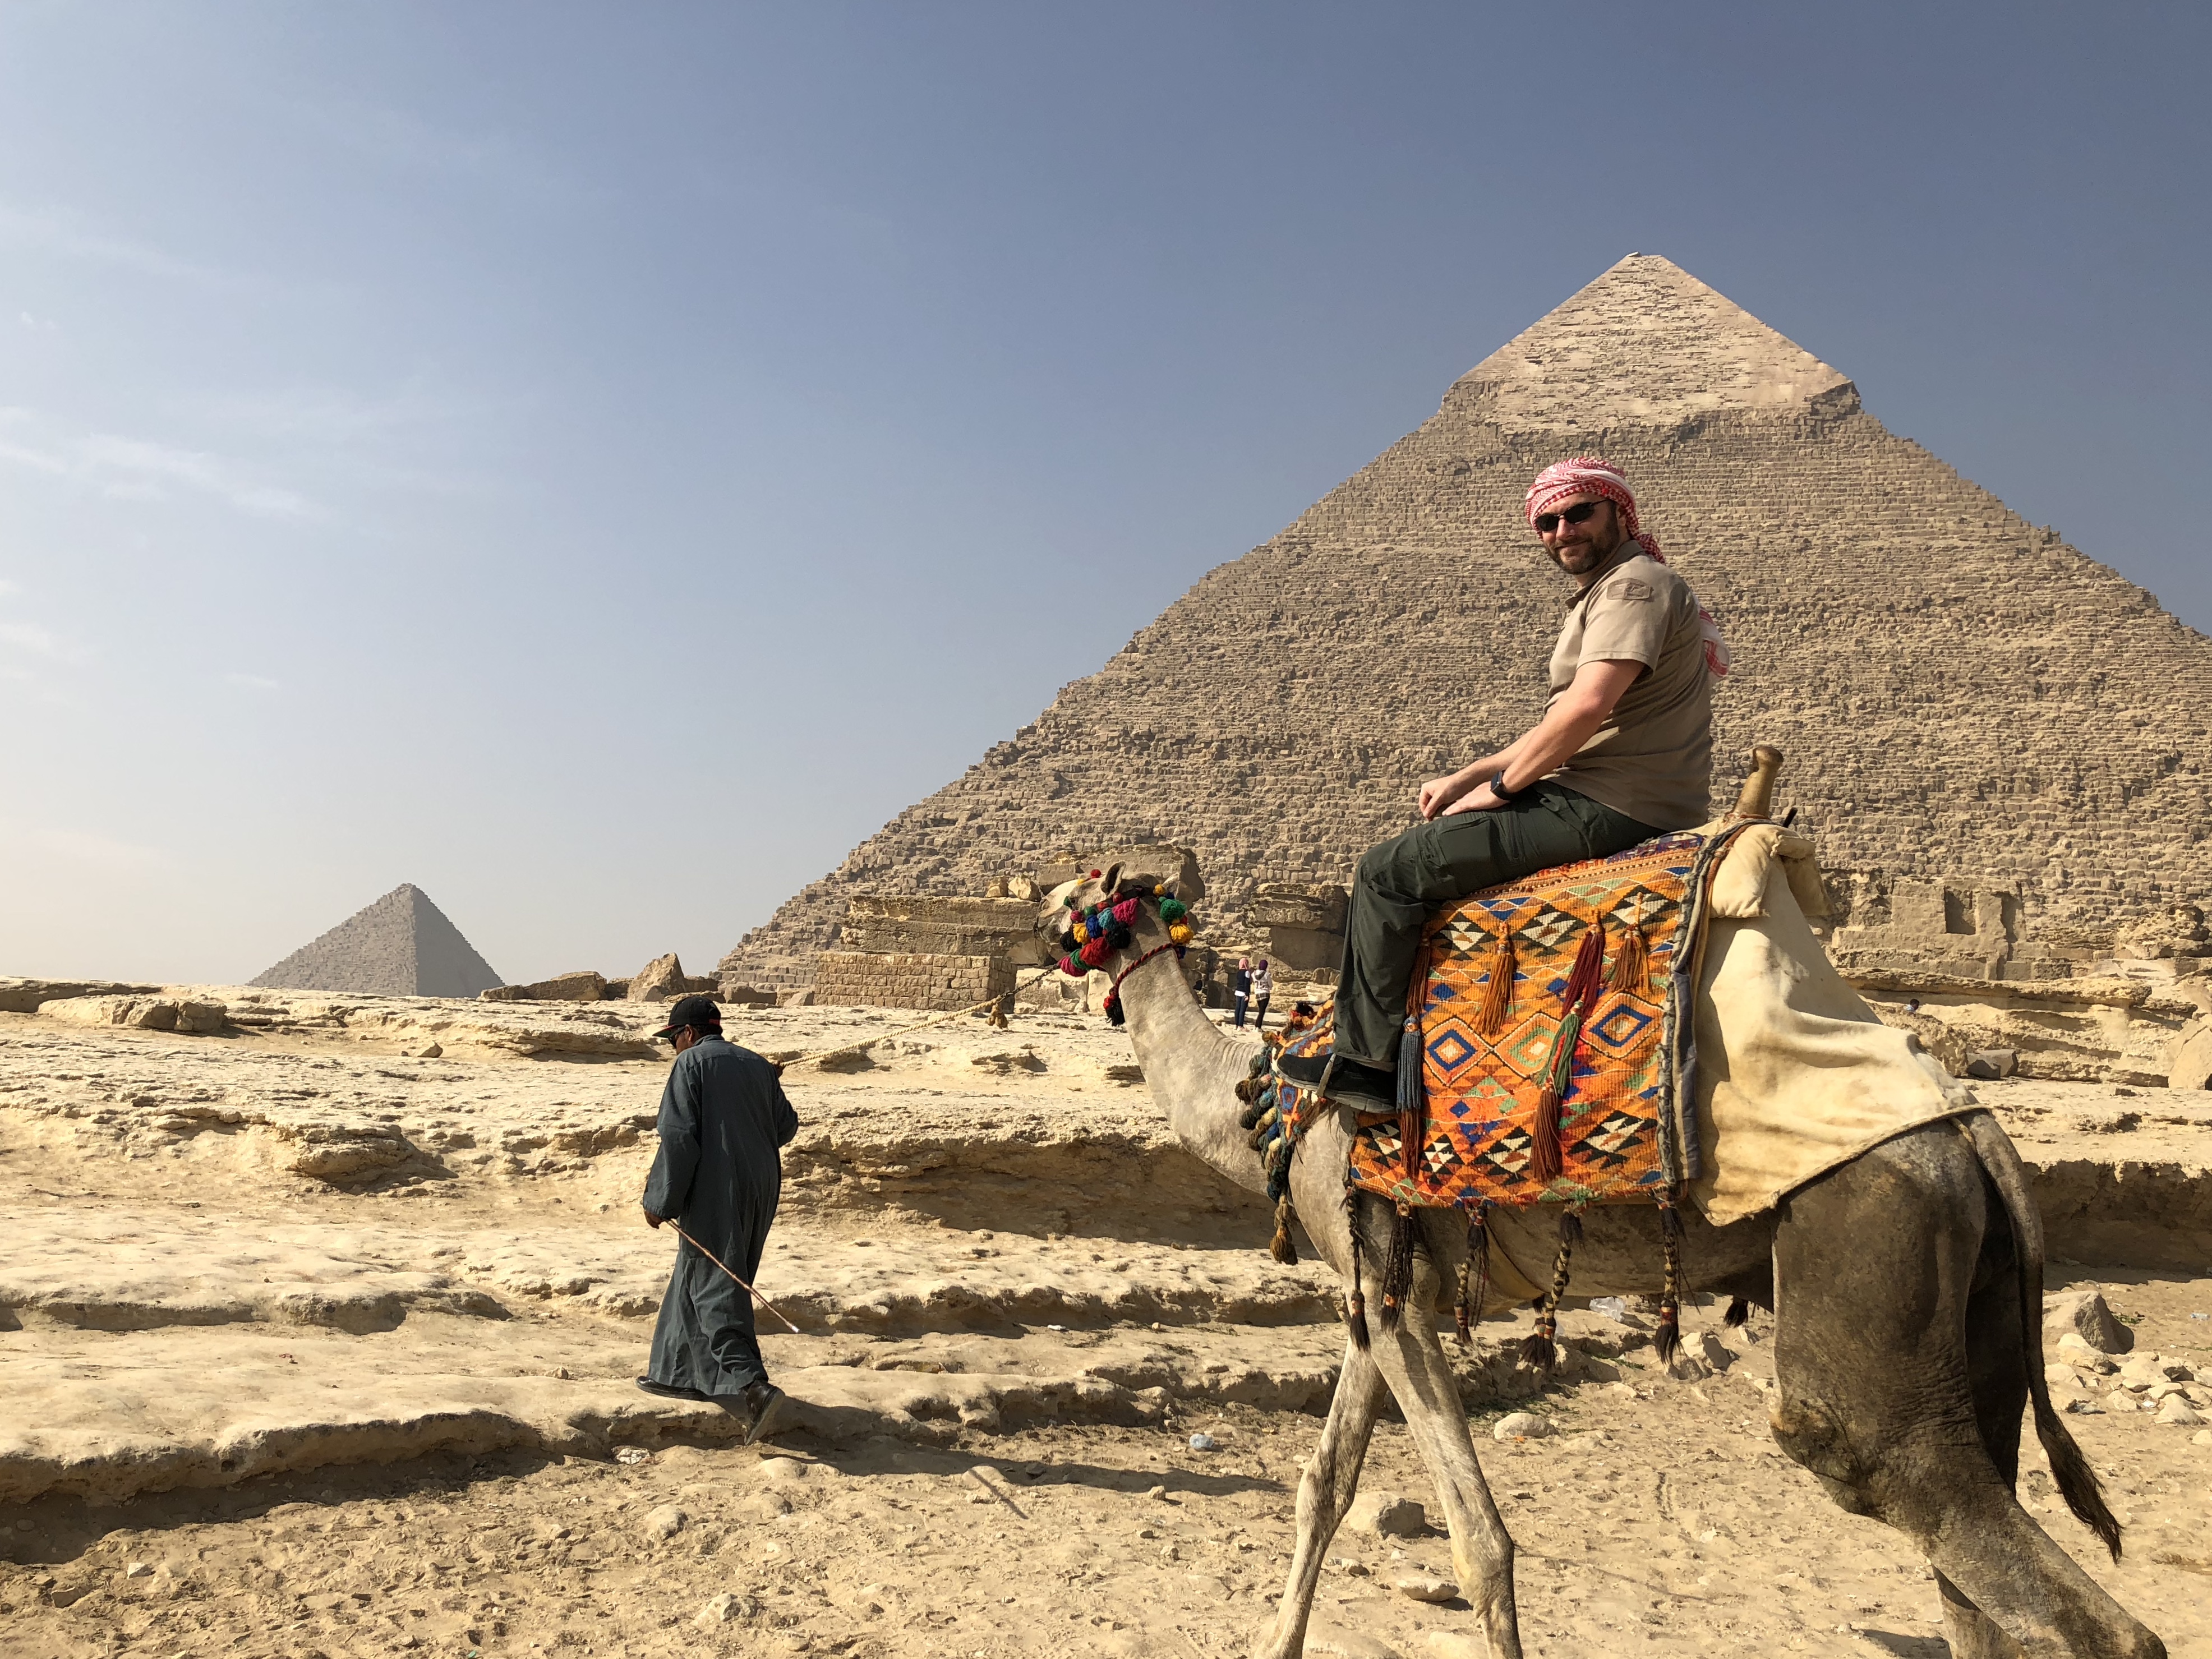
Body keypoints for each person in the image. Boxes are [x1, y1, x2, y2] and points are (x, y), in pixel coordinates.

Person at [1282, 458, 1722, 1112]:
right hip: (1615, 787)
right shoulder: (1616, 588)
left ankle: (1364, 1065)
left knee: (1387, 870)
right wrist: (1468, 775)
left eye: (1579, 513)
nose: (1562, 530)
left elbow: (1584, 709)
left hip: (1611, 802)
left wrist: (1505, 790)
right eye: (1547, 521)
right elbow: (1562, 719)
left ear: (1617, 512)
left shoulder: (1632, 588)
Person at [637, 993, 799, 1444]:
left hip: (719, 1185)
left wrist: (660, 1201)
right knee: (701, 1270)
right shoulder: (758, 1064)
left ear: (688, 1033)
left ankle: (753, 1386)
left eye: (673, 1038)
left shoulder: (691, 1065)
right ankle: (676, 1374)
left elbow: (677, 1137)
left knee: (715, 1280)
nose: (673, 1047)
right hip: (763, 1183)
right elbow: (786, 1127)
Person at [1250, 958, 1274, 1031]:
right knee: (1262, 1012)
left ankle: (1256, 1026)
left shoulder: (1253, 974)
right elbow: (1271, 985)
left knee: (1261, 1011)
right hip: (1265, 994)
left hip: (1258, 994)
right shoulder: (1267, 975)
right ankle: (1258, 1027)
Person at [1231, 956, 1252, 1028]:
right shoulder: (1247, 972)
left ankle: (1236, 1025)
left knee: (1237, 1009)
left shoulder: (1239, 972)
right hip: (1244, 993)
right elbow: (1247, 984)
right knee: (1242, 1010)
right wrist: (1247, 994)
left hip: (1238, 992)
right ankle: (1240, 1026)